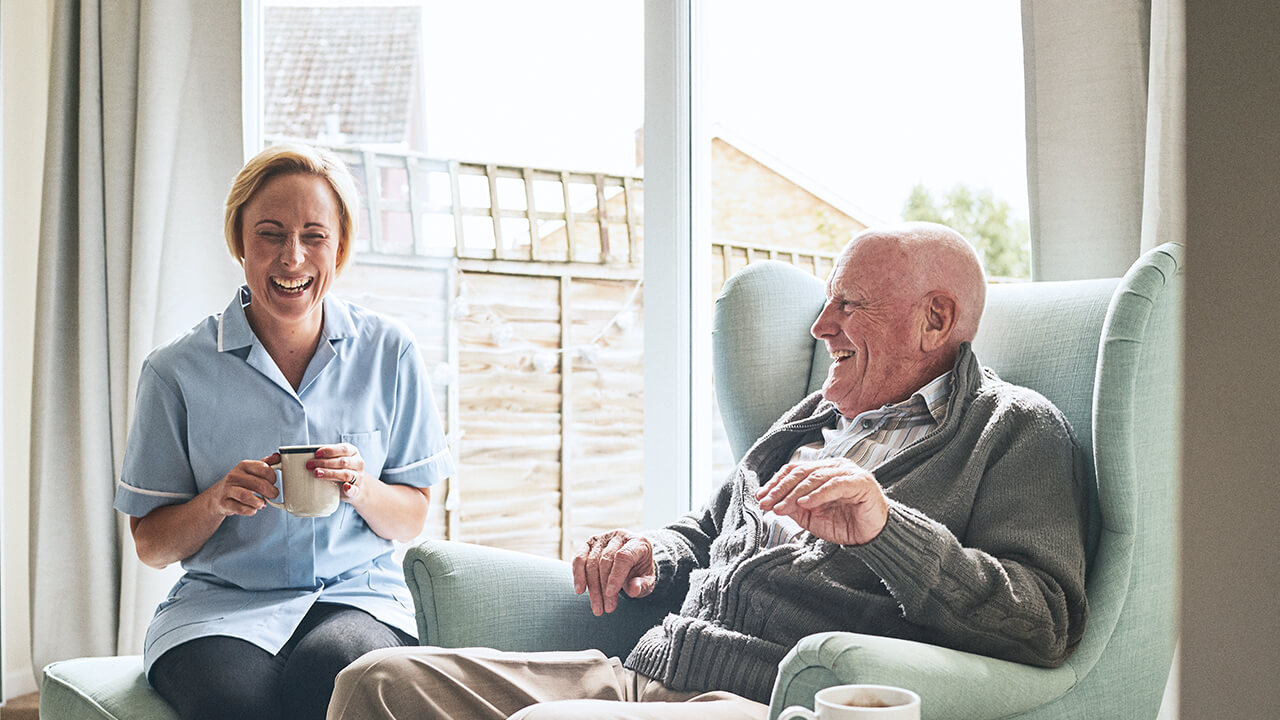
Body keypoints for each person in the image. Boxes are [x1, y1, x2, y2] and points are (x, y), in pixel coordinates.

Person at [326, 222, 1089, 720]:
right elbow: (705, 530)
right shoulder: (813, 419)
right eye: (826, 305)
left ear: (935, 319)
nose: (822, 328)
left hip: (765, 698)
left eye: (849, 306)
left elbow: (1045, 621)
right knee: (378, 684)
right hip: (647, 670)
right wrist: (648, 553)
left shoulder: (1012, 430)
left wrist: (885, 529)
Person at [113, 143, 455, 720]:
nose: (292, 258)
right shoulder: (174, 372)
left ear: (339, 245)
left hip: (356, 600)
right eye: (269, 234)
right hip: (220, 608)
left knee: (334, 673)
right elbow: (151, 543)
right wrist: (216, 501)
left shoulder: (390, 353)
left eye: (314, 236)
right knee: (232, 701)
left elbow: (413, 514)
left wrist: (360, 487)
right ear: (239, 242)